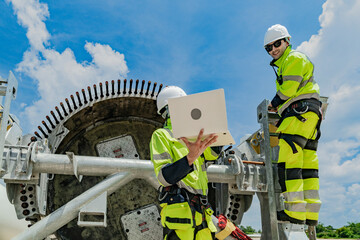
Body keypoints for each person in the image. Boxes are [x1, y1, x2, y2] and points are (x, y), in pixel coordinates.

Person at [264, 24, 322, 226]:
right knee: (308, 168)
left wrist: (274, 104)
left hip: (298, 113)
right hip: (310, 117)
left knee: (289, 165)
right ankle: (311, 214)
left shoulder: (293, 59)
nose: (273, 50)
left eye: (276, 44)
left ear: (287, 41)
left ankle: (296, 213)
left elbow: (288, 90)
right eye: (269, 48)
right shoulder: (291, 60)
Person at [150, 86, 220, 240]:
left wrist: (218, 133)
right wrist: (190, 158)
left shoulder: (195, 138)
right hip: (181, 216)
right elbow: (164, 177)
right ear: (169, 110)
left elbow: (212, 154)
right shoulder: (162, 136)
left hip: (203, 215)